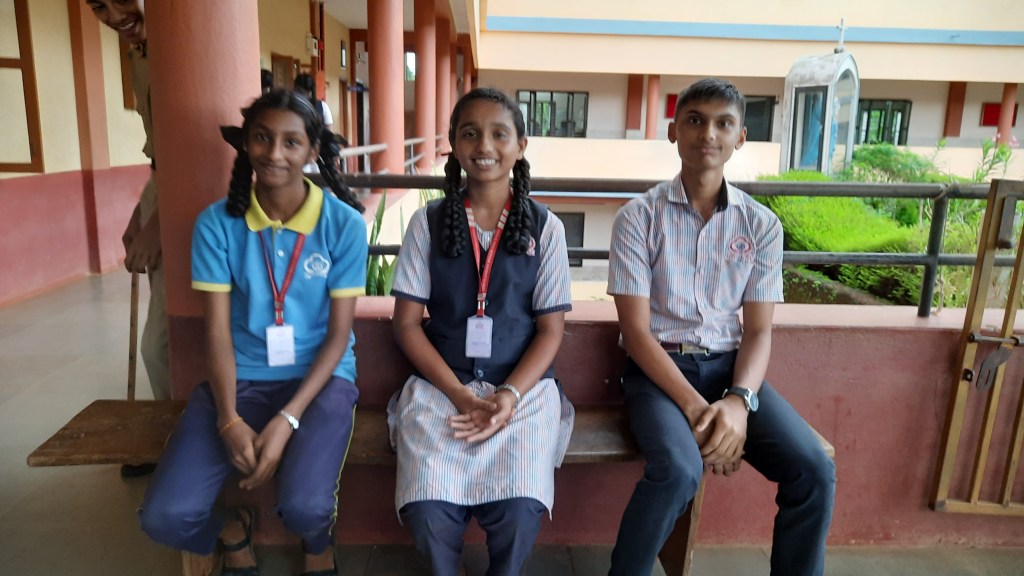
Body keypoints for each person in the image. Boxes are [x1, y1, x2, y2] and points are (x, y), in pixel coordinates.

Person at [606, 78, 835, 576]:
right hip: (659, 374)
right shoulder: (637, 219)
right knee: (678, 471)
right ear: (674, 130)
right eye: (695, 120)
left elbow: (758, 331)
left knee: (814, 470)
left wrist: (738, 404)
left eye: (723, 123)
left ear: (740, 137)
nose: (707, 133)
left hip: (731, 372)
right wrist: (702, 414)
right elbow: (637, 333)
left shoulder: (761, 225)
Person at [138, 89, 367, 576]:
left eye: (291, 141)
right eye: (262, 138)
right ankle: (228, 527)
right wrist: (227, 419)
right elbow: (217, 334)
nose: (274, 153)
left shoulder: (343, 225)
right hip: (239, 380)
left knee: (305, 506)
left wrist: (287, 419)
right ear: (245, 143)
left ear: (312, 150)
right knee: (164, 517)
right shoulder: (217, 224)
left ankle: (317, 545)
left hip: (321, 382)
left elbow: (338, 337)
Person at [388, 87, 574, 576]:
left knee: (518, 511)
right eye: (470, 133)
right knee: (429, 512)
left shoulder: (546, 228)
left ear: (521, 145)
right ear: (453, 143)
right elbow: (406, 324)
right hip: (441, 388)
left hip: (522, 393)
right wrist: (458, 393)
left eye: (499, 134)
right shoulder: (427, 224)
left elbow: (551, 332)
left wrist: (508, 394)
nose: (484, 145)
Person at [85, 0, 170, 479]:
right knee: (161, 344)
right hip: (163, 192)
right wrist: (143, 212)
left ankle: (177, 440)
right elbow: (161, 156)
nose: (114, 14)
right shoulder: (141, 54)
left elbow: (193, 149)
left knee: (159, 346)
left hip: (191, 202)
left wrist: (160, 222)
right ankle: (169, 434)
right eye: (99, 5)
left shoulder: (178, 48)